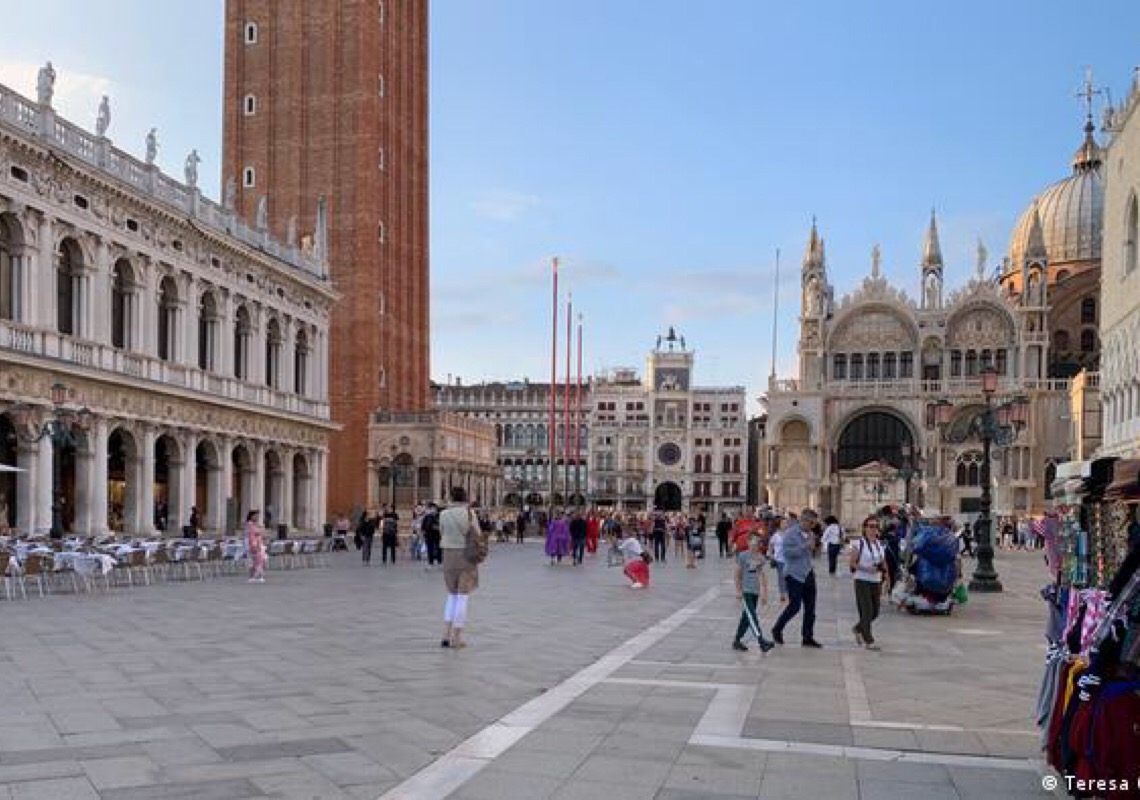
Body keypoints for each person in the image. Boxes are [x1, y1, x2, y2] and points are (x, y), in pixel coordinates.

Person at [770, 510, 822, 648]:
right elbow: (787, 554)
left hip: (808, 573)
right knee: (794, 606)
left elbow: (811, 554)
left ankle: (807, 637)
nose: (812, 526)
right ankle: (777, 629)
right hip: (793, 575)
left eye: (814, 523)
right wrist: (805, 546)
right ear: (803, 520)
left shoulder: (811, 534)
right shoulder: (790, 534)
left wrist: (816, 548)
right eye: (811, 522)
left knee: (811, 609)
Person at [440, 486, 483, 649]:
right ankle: (457, 636)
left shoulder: (443, 514)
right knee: (462, 597)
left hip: (448, 555)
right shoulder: (469, 513)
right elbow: (477, 534)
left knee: (451, 595)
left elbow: (442, 532)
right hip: (465, 556)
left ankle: (445, 633)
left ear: (451, 497)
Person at [849, 516, 887, 650]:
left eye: (876, 526)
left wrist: (886, 579)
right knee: (866, 611)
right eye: (870, 526)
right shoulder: (859, 544)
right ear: (864, 528)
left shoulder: (879, 544)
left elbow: (883, 562)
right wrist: (866, 568)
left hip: (875, 580)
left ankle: (858, 628)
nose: (873, 529)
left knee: (875, 612)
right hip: (862, 580)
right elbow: (852, 563)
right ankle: (868, 640)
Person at [733, 534, 775, 652]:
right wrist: (738, 590)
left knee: (746, 618)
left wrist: (764, 593)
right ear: (748, 543)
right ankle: (761, 641)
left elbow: (762, 575)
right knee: (752, 617)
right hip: (745, 591)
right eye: (753, 543)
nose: (755, 546)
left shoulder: (761, 558)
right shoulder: (742, 556)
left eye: (757, 544)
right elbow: (737, 574)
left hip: (755, 591)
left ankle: (737, 641)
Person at [768, 519, 788, 603]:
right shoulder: (775, 535)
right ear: (779, 524)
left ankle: (788, 592)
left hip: (789, 559)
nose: (785, 524)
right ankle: (782, 594)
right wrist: (771, 555)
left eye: (786, 523)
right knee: (781, 577)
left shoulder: (789, 534)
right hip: (779, 559)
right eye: (783, 523)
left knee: (788, 577)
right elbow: (770, 545)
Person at [246, 510, 267, 583]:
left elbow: (261, 533)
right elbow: (251, 536)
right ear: (251, 516)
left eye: (257, 516)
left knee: (261, 560)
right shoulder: (250, 525)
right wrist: (254, 545)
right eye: (255, 516)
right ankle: (252, 576)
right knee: (254, 561)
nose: (257, 517)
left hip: (259, 544)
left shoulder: (256, 524)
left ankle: (259, 575)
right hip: (254, 545)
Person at [422, 503, 442, 568]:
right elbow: (423, 526)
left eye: (433, 508)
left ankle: (440, 562)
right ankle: (430, 562)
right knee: (430, 549)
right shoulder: (427, 517)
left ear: (436, 509)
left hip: (438, 535)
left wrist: (438, 527)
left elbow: (442, 525)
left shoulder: (440, 516)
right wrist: (424, 533)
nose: (432, 510)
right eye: (430, 508)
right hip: (429, 535)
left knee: (439, 549)